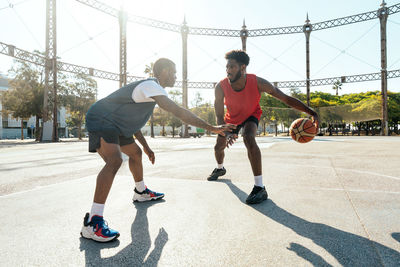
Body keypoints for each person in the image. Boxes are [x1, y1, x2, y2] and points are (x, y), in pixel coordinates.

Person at [81, 58, 235, 242]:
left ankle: (141, 192)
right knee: (114, 161)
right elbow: (177, 110)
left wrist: (146, 147)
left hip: (116, 125)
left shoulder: (149, 92)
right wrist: (213, 128)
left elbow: (131, 122)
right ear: (163, 71)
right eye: (173, 71)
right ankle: (92, 222)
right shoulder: (151, 85)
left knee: (135, 154)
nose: (176, 76)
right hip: (101, 119)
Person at [207, 50, 319, 204]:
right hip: (230, 120)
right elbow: (219, 114)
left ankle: (260, 188)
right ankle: (220, 168)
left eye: (232, 67)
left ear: (243, 68)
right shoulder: (221, 87)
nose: (228, 70)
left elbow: (285, 98)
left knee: (248, 137)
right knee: (218, 147)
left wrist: (311, 112)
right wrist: (225, 132)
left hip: (251, 114)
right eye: (227, 67)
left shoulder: (258, 82)